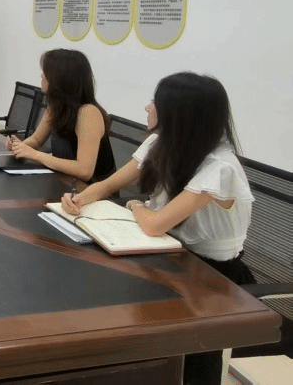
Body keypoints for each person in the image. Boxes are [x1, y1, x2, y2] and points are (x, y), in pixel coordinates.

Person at [60, 72, 254, 385]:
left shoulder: (221, 168)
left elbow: (155, 223)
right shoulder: (161, 142)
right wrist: (79, 199)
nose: (147, 107)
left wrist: (136, 205)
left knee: (186, 354)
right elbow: (108, 184)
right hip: (168, 255)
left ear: (180, 116)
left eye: (156, 102)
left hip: (210, 276)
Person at [7, 49, 115, 183]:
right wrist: (20, 146)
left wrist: (36, 155)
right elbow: (36, 140)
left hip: (92, 189)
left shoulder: (88, 113)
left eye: (46, 73)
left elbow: (85, 170)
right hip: (64, 181)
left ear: (60, 79)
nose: (42, 76)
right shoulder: (55, 106)